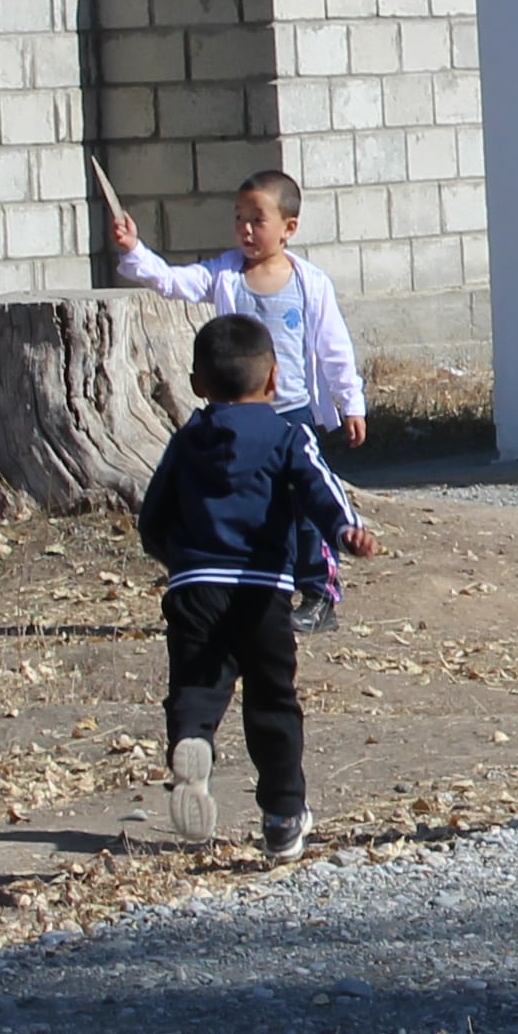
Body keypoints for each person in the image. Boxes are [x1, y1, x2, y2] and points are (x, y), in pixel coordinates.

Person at [134, 310, 374, 860]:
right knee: (272, 701)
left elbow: (152, 518)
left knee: (196, 686)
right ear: (274, 379)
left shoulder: (187, 439)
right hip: (261, 590)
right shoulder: (287, 435)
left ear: (197, 386)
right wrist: (346, 529)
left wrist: (180, 563)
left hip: (194, 586)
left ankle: (192, 741)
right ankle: (283, 815)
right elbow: (320, 487)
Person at [110, 172, 367, 448]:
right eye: (239, 218)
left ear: (288, 228)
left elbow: (334, 347)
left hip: (293, 411)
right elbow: (171, 281)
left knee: (294, 485)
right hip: (238, 411)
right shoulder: (224, 275)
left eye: (257, 220)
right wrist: (134, 249)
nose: (246, 228)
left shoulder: (312, 284)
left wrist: (352, 402)